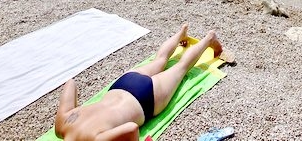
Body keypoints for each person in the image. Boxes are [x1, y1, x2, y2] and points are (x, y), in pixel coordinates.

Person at [55, 26, 223, 141]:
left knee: (182, 67)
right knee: (160, 60)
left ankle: (208, 38)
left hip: (145, 99)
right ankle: (181, 33)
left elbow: (131, 128)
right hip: (123, 84)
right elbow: (70, 83)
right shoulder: (62, 124)